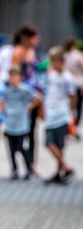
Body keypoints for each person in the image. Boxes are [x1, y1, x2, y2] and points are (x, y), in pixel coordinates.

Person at [43, 47, 76, 184]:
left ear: (61, 62)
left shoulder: (67, 77)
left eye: (54, 62)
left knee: (59, 144)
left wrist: (72, 114)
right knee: (49, 142)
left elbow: (73, 97)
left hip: (62, 114)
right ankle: (64, 167)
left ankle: (61, 170)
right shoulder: (51, 75)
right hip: (51, 113)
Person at [10, 25, 42, 170]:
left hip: (33, 94)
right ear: (26, 38)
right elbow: (14, 74)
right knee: (22, 131)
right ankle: (22, 164)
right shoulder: (18, 52)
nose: (37, 40)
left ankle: (31, 165)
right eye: (34, 37)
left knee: (32, 130)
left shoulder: (33, 51)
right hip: (22, 96)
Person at [0, 66, 38, 180]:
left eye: (15, 76)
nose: (13, 79)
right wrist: (5, 110)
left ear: (20, 78)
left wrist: (28, 108)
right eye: (11, 77)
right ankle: (14, 169)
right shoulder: (7, 90)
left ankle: (29, 169)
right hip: (10, 123)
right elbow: (2, 101)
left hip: (21, 124)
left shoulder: (25, 89)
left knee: (21, 147)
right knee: (11, 149)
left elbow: (37, 98)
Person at [64, 38, 83, 140]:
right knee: (78, 108)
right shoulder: (78, 55)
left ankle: (68, 128)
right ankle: (74, 127)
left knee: (69, 107)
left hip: (67, 84)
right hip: (78, 84)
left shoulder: (65, 56)